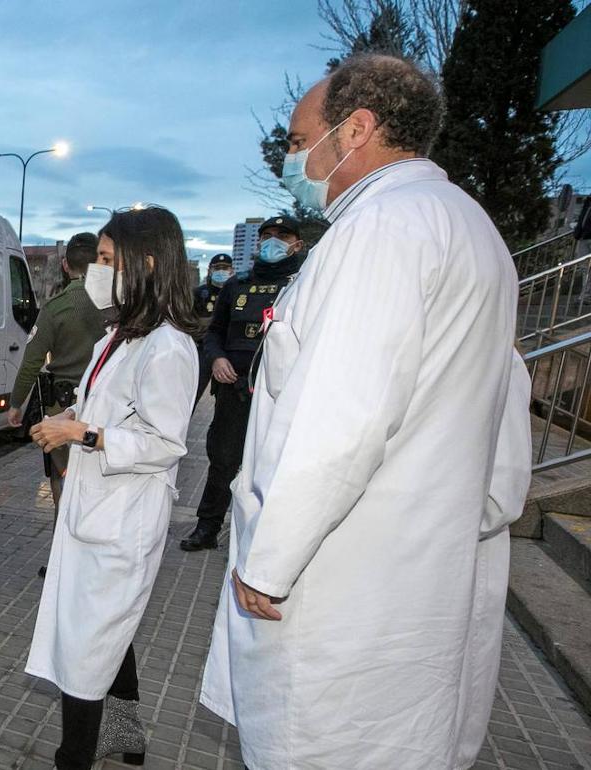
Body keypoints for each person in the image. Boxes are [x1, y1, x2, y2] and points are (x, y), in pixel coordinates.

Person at [199, 54, 530, 770]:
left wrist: (270, 561)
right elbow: (506, 420)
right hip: (414, 583)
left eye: (296, 140)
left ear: (356, 130)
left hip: (341, 592)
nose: (291, 158)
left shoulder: (381, 228)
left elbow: (340, 418)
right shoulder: (470, 227)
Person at [25, 207, 200, 769]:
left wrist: (85, 432)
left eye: (105, 260)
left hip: (123, 520)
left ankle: (72, 758)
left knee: (87, 643)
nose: (95, 271)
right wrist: (74, 414)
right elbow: (105, 403)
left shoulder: (169, 346)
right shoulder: (119, 335)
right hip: (93, 509)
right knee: (107, 632)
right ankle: (127, 737)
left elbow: (165, 441)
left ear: (145, 264)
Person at [179, 216, 303, 552]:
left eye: (282, 235)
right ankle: (207, 527)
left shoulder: (302, 284)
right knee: (223, 458)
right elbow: (215, 331)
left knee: (269, 464)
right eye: (266, 235)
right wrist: (217, 357)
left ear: (297, 244)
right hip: (233, 390)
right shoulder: (238, 285)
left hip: (277, 394)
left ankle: (262, 538)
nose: (271, 241)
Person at [6, 231, 107, 513]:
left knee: (62, 477)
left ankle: (62, 543)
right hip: (103, 407)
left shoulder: (56, 307)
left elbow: (31, 361)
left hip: (62, 406)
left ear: (65, 265)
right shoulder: (114, 305)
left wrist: (16, 404)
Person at [192, 253, 234, 402]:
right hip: (201, 349)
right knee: (193, 390)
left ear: (232, 270)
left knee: (224, 395)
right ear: (210, 270)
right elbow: (188, 320)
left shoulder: (235, 292)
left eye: (225, 268)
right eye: (217, 268)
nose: (221, 271)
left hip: (226, 351)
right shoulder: (199, 293)